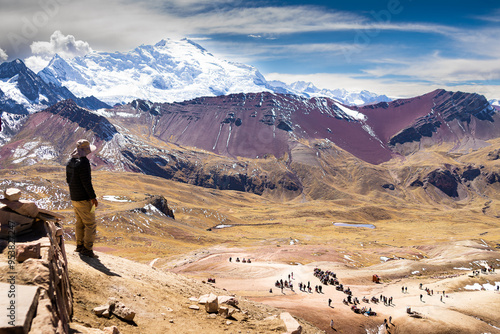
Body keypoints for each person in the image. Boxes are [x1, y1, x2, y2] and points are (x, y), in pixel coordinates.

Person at [66, 139, 99, 258]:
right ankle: (87, 249)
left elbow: (68, 180)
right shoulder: (84, 163)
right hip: (83, 199)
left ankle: (79, 246)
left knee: (79, 222)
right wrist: (93, 197)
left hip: (74, 197)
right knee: (90, 224)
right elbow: (86, 182)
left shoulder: (70, 162)